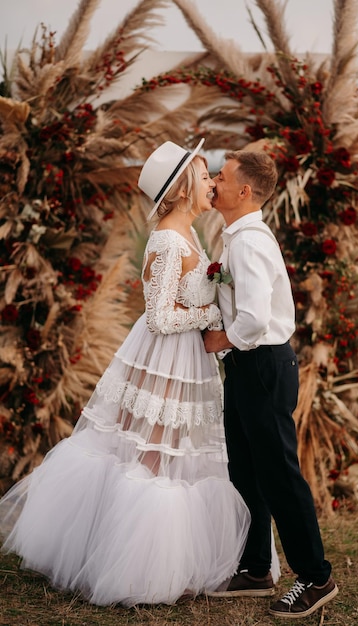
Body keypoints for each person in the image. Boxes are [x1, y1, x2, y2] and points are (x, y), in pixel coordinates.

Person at [0, 139, 251, 606]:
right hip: (164, 359)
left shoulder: (190, 234)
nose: (212, 182)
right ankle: (133, 568)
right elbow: (158, 317)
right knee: (153, 456)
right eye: (202, 176)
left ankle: (178, 561)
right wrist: (211, 321)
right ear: (180, 189)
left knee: (179, 454)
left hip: (187, 362)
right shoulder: (167, 240)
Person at [203, 149, 339, 619]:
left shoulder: (249, 242)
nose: (214, 182)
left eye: (221, 177)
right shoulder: (235, 236)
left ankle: (316, 576)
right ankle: (257, 567)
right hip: (246, 366)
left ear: (244, 191)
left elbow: (257, 319)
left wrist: (222, 337)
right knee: (245, 469)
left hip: (263, 364)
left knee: (279, 473)